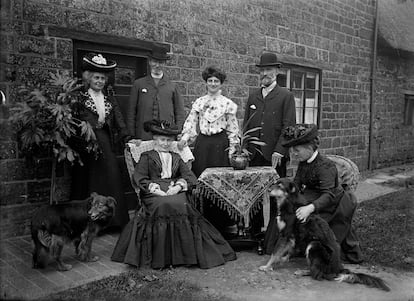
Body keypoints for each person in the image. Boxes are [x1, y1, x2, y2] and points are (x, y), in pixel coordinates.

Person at [111, 120, 237, 269]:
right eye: (162, 140)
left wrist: (178, 187)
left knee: (181, 204)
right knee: (162, 204)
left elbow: (190, 177)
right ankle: (160, 256)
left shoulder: (176, 157)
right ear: (155, 140)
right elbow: (139, 177)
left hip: (174, 188)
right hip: (153, 192)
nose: (165, 143)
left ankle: (185, 255)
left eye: (168, 140)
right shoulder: (146, 156)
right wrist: (154, 188)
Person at [264, 124, 363, 263]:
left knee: (305, 218)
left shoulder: (325, 166)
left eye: (297, 150)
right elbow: (297, 184)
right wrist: (285, 195)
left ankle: (305, 249)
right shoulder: (303, 162)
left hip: (332, 203)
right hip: (312, 196)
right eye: (292, 150)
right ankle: (282, 247)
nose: (294, 153)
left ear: (309, 148)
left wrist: (309, 208)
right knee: (286, 211)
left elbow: (328, 195)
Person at [70, 52, 132, 229]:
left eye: (103, 78)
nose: (100, 81)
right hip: (87, 144)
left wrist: (127, 137)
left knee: (111, 176)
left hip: (105, 141)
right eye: (96, 77)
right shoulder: (80, 97)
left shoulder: (108, 97)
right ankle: (87, 224)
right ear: (89, 78)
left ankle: (113, 223)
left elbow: (118, 119)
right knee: (89, 181)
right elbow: (74, 121)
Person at [178, 66, 240, 235]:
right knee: (201, 180)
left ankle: (223, 222)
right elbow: (191, 122)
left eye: (216, 81)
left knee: (220, 182)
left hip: (220, 145)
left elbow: (233, 128)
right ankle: (203, 220)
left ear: (221, 84)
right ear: (206, 83)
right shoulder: (199, 102)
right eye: (210, 81)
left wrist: (233, 148)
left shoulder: (227, 104)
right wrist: (185, 138)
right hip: (203, 145)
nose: (213, 84)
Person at [243, 52, 296, 235]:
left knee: (276, 196)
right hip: (254, 154)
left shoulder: (285, 95)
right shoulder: (253, 96)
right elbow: (246, 125)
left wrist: (280, 151)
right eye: (263, 70)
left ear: (276, 71)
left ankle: (273, 236)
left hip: (275, 155)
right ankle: (255, 232)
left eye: (269, 70)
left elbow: (289, 127)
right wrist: (245, 150)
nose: (265, 73)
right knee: (254, 195)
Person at [126, 46, 185, 141]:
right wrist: (131, 135)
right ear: (150, 62)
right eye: (155, 61)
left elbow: (179, 112)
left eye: (161, 62)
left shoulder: (173, 86)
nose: (157, 65)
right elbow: (131, 111)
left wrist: (178, 132)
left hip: (166, 135)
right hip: (143, 135)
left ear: (164, 63)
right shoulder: (139, 84)